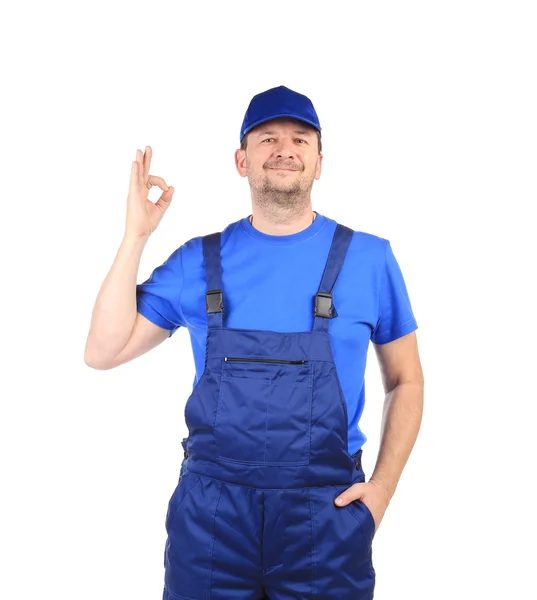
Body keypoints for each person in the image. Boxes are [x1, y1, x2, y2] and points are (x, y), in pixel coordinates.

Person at [84, 84, 424, 599]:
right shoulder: (198, 261)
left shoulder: (370, 259)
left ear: (319, 162)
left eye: (300, 139)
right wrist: (136, 235)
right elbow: (103, 351)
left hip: (326, 518)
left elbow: (407, 379)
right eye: (267, 139)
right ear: (242, 160)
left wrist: (381, 491)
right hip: (212, 522)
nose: (284, 149)